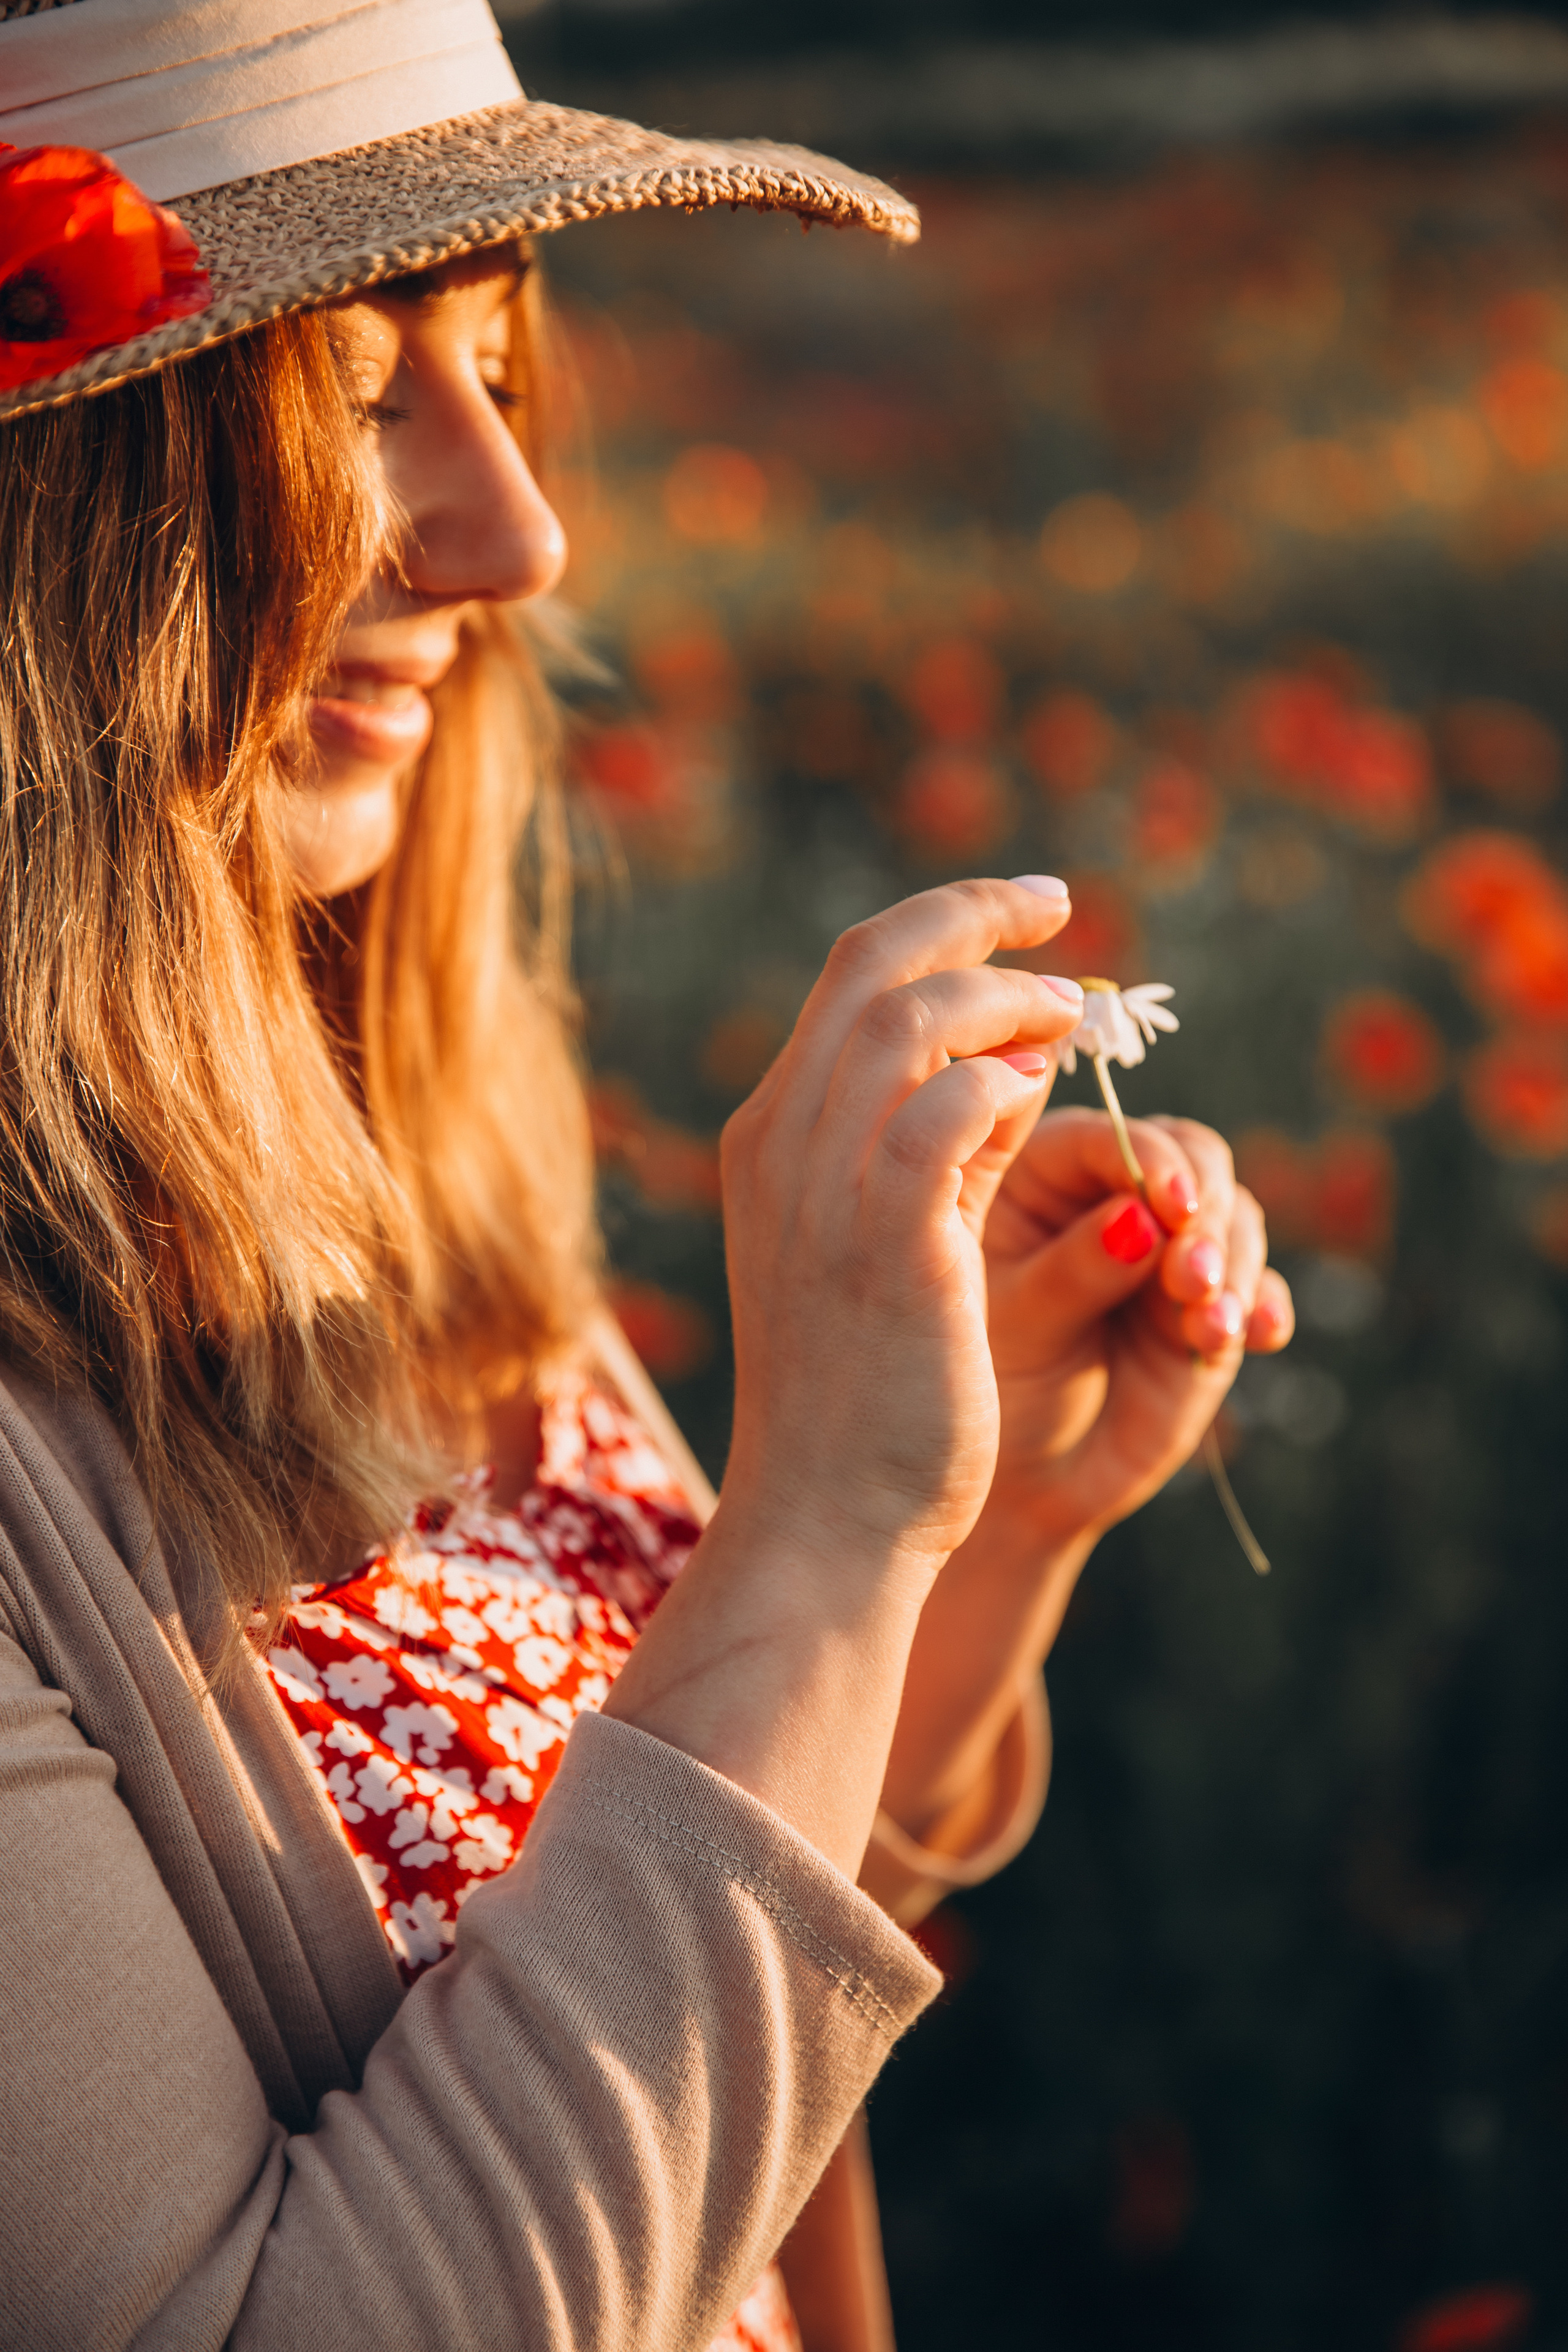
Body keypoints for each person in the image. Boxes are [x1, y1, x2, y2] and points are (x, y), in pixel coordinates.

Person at [0, 4, 1294, 2348]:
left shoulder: (362, 1152)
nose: (521, 532)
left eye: (502, 371)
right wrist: (818, 1535)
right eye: (358, 392)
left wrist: (969, 1530)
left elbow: (677, 1957)